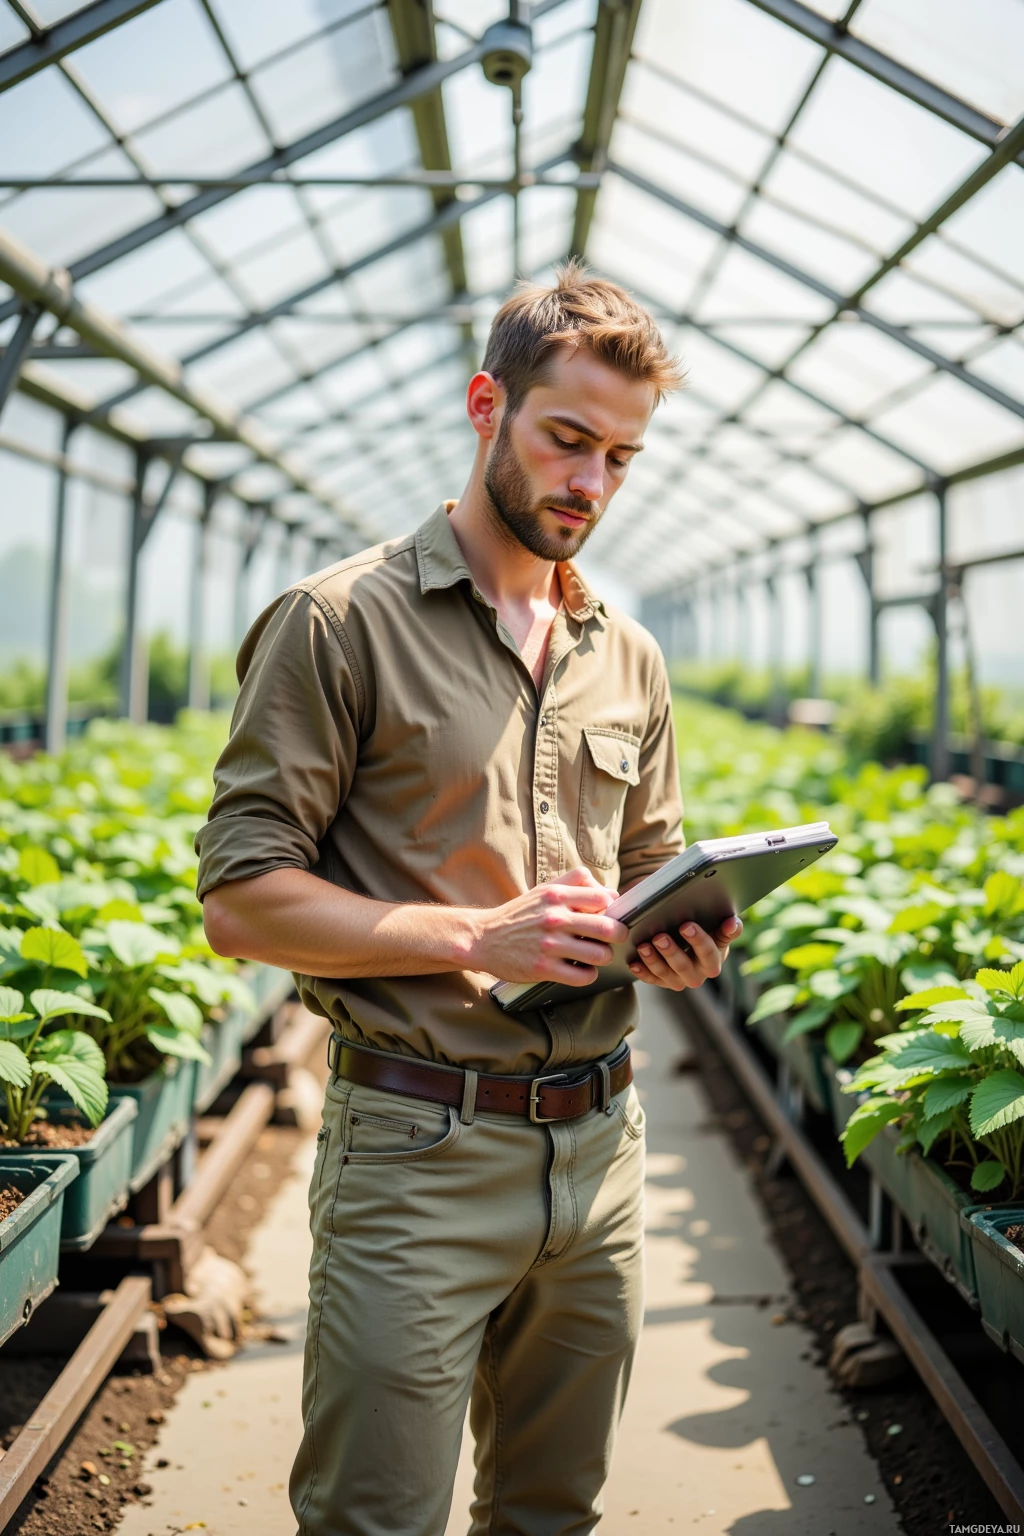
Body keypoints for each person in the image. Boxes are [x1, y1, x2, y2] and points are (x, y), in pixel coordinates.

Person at [196, 261, 740, 1536]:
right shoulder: (339, 624)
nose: (590, 485)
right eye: (567, 440)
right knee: (375, 1516)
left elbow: (652, 863)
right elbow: (240, 901)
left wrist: (681, 939)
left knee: (554, 1510)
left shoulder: (628, 653)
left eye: (620, 458)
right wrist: (475, 938)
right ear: (485, 403)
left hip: (603, 1153)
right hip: (417, 1153)